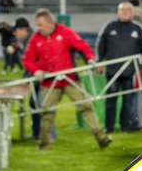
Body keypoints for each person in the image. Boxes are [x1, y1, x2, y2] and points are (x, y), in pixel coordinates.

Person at [22, 8, 111, 150]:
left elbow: (82, 46)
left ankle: (101, 138)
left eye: (40, 25)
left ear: (50, 23)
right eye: (37, 25)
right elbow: (28, 59)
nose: (37, 28)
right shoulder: (36, 38)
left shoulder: (65, 32)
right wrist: (36, 71)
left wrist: (90, 60)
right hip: (49, 82)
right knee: (47, 112)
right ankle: (44, 143)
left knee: (86, 107)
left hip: (70, 80)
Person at [95, 2, 142, 134]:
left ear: (132, 12)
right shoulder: (109, 27)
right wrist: (98, 62)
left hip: (130, 73)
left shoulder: (138, 28)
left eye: (127, 10)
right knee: (110, 101)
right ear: (118, 12)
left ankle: (125, 127)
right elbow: (100, 45)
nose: (125, 12)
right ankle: (108, 127)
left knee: (128, 102)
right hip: (112, 72)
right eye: (122, 10)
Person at [13, 17, 51, 140]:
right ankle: (36, 133)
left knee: (41, 104)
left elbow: (34, 61)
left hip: (43, 76)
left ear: (24, 30)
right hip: (38, 76)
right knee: (33, 103)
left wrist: (26, 79)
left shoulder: (32, 40)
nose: (16, 34)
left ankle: (48, 135)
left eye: (17, 31)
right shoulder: (28, 40)